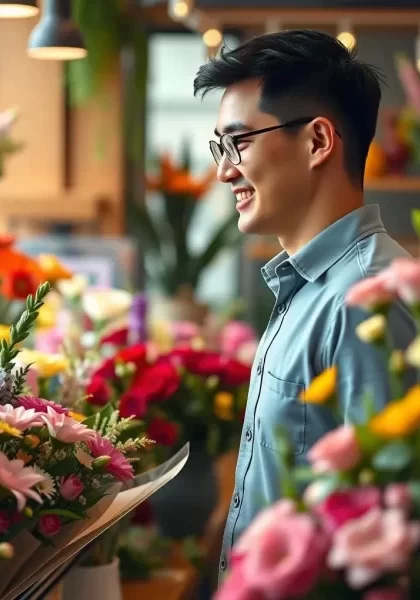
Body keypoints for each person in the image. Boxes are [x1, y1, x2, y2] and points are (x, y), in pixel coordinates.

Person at [193, 29, 415, 578]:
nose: (223, 170)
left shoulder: (368, 299)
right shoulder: (307, 285)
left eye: (239, 142)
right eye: (220, 147)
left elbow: (393, 525)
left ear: (318, 141)